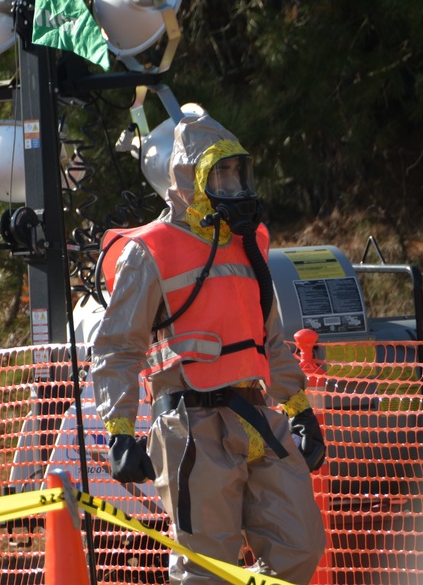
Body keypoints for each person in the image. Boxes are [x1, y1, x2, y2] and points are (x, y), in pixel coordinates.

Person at [89, 112, 326, 584]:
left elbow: (269, 339)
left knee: (300, 546)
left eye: (237, 172)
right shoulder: (150, 249)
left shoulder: (249, 243)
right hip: (189, 427)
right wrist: (118, 431)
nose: (232, 183)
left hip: (257, 415)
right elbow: (116, 348)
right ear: (187, 180)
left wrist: (299, 409)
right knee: (207, 571)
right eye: (219, 173)